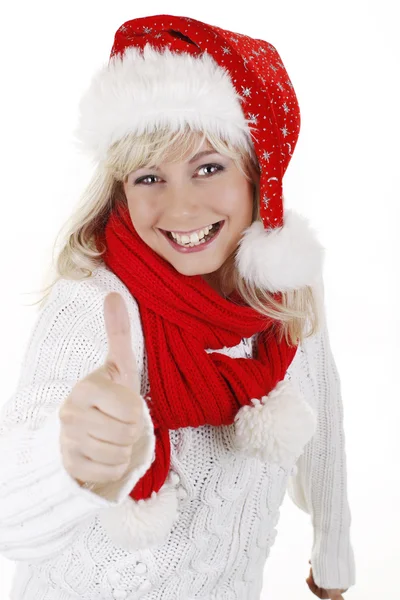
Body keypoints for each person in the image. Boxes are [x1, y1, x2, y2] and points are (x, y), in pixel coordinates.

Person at [0, 13, 356, 600]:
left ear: (258, 175)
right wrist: (67, 458)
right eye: (148, 177)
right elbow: (9, 514)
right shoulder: (92, 305)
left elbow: (327, 429)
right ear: (121, 187)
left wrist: (333, 560)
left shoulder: (287, 293)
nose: (181, 209)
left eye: (208, 167)